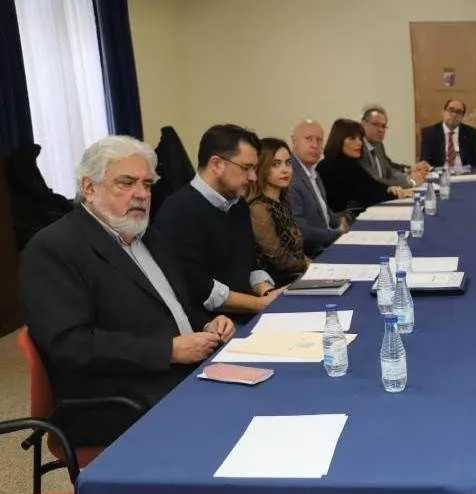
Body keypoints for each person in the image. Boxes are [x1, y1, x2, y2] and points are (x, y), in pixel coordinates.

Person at [19, 135, 235, 446]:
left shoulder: (150, 238)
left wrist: (208, 324)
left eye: (146, 185)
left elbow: (175, 308)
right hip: (113, 397)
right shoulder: (53, 249)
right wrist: (169, 350)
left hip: (179, 372)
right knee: (226, 423)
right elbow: (70, 346)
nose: (140, 195)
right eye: (126, 182)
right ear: (89, 188)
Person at [154, 124, 282, 324]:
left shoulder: (238, 205)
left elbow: (248, 263)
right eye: (246, 168)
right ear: (216, 164)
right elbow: (198, 288)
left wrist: (267, 290)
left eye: (255, 169)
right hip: (212, 327)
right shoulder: (178, 212)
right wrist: (260, 304)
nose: (253, 177)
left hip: (247, 312)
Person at [319, 118, 414, 214]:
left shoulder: (349, 162)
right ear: (338, 140)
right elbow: (368, 196)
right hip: (339, 223)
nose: (360, 142)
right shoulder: (335, 166)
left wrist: (389, 189)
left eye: (360, 138)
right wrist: (397, 194)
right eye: (352, 138)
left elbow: (371, 184)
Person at [248, 137, 310, 286]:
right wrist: (309, 266)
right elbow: (278, 259)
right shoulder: (258, 208)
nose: (285, 169)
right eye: (275, 164)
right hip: (277, 283)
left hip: (298, 274)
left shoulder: (282, 201)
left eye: (288, 163)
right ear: (261, 167)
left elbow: (296, 248)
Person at [288, 119, 348, 257]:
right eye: (309, 139)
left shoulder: (314, 173)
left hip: (327, 246)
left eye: (319, 140)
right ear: (294, 141)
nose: (315, 145)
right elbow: (300, 229)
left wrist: (342, 222)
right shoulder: (289, 175)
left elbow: (326, 213)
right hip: (311, 255)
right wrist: (337, 234)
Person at [360, 105, 428, 188]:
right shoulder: (358, 148)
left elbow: (389, 171)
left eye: (383, 126)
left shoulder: (378, 146)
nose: (380, 130)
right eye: (375, 124)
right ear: (362, 124)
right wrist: (410, 182)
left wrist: (409, 176)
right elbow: (375, 181)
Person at [419, 99, 476, 168]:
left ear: (463, 116)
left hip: (464, 174)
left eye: (459, 112)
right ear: (443, 112)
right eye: (451, 110)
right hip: (440, 174)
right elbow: (425, 162)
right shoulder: (430, 133)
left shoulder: (471, 133)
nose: (454, 114)